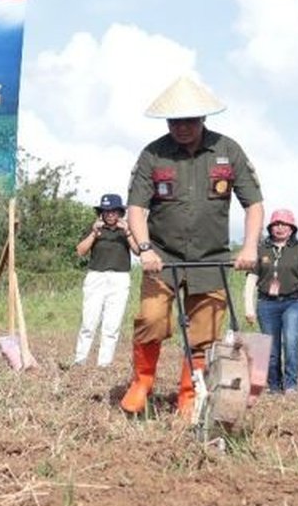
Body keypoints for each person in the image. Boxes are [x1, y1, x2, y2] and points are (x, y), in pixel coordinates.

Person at [121, 76, 264, 416]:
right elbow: (137, 209)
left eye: (189, 120)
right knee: (151, 319)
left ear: (203, 118)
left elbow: (254, 205)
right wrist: (145, 249)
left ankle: (190, 395)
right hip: (162, 257)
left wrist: (249, 248)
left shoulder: (228, 151)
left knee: (205, 332)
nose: (181, 127)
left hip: (211, 259)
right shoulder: (152, 155)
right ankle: (142, 381)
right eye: (174, 121)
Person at [243, 209, 298, 394]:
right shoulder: (261, 250)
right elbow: (251, 280)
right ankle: (274, 386)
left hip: (295, 302)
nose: (279, 228)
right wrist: (249, 308)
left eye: (284, 224)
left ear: (292, 229)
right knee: (271, 347)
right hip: (267, 304)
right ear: (270, 228)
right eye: (276, 224)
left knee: (291, 341)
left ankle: (291, 384)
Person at [72, 193, 137, 367]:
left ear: (119, 213)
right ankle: (80, 360)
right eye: (106, 211)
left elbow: (138, 250)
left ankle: (104, 364)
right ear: (102, 213)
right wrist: (94, 233)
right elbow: (80, 250)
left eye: (113, 211)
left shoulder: (126, 230)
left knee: (112, 324)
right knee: (89, 321)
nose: (110, 215)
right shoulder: (96, 229)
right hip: (96, 276)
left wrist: (128, 232)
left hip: (119, 278)